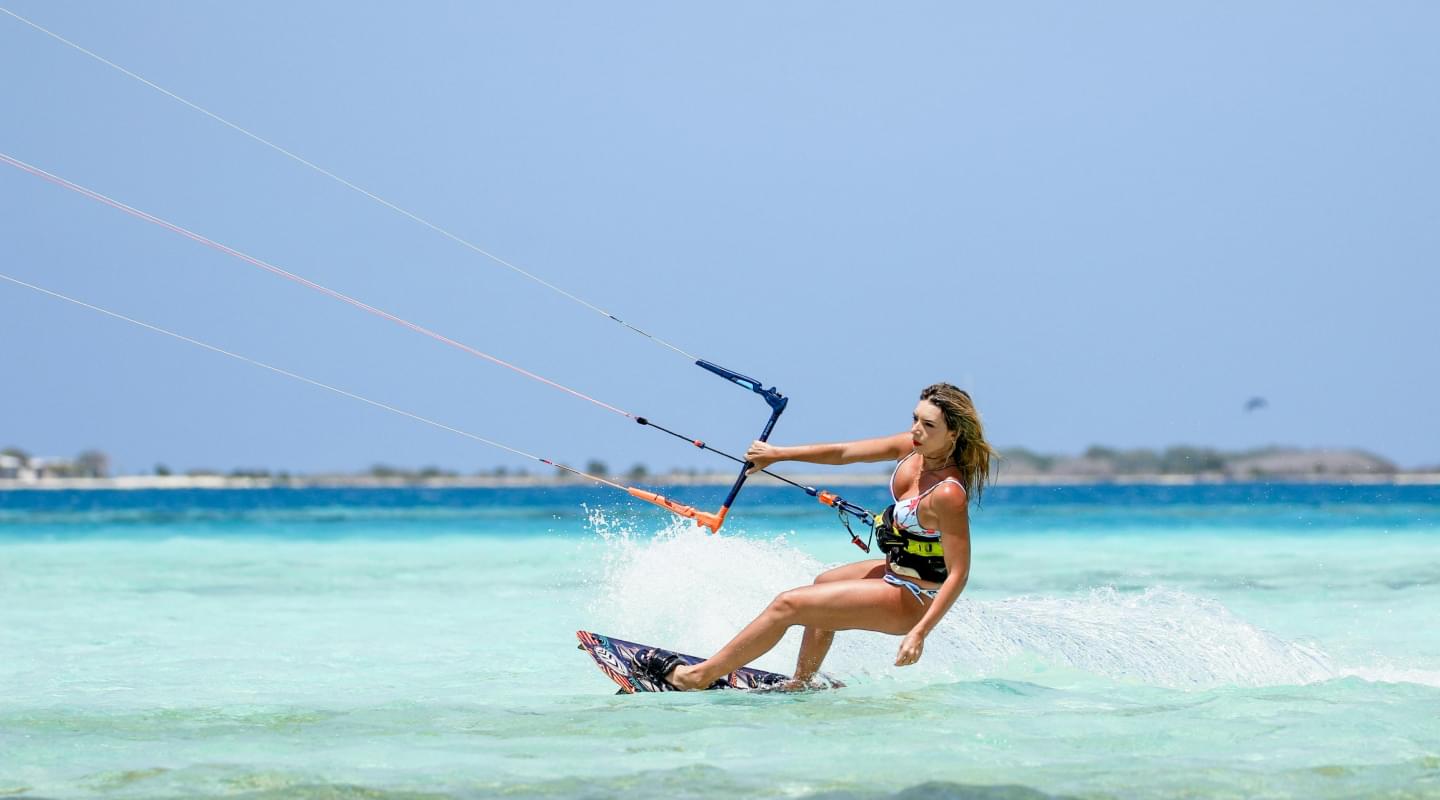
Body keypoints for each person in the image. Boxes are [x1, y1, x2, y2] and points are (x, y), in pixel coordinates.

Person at [638, 383, 995, 690]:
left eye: (927, 424)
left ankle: (696, 678)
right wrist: (778, 455)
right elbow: (845, 453)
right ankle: (802, 682)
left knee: (788, 605)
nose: (916, 429)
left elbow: (959, 573)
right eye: (915, 418)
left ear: (954, 434)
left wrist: (919, 633)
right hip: (893, 572)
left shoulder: (949, 494)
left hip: (913, 598)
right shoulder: (914, 449)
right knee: (822, 582)